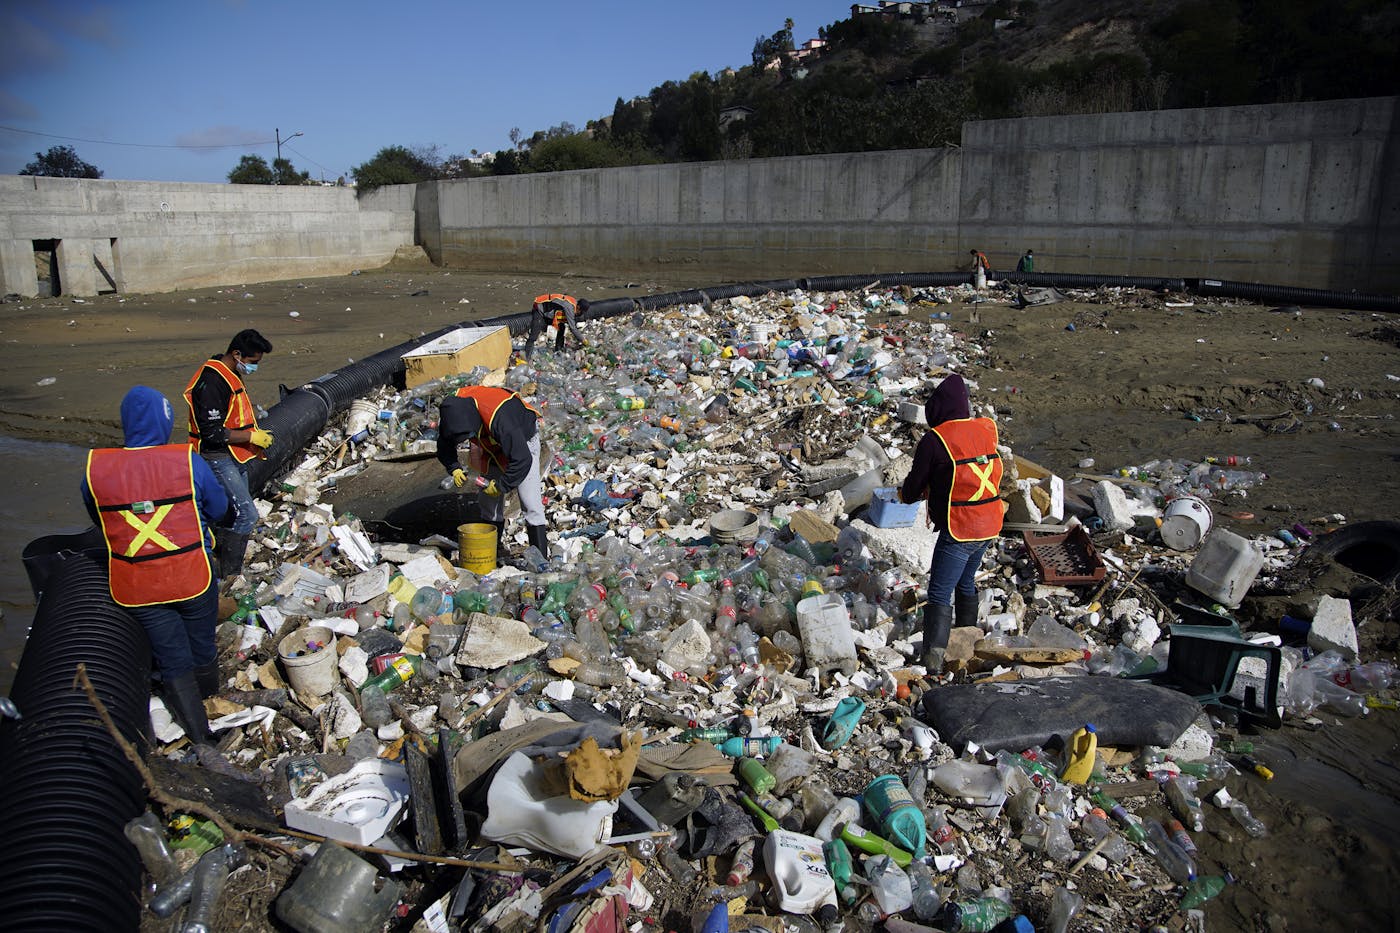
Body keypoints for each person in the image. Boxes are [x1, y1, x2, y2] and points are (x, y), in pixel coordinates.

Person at [81, 386, 229, 742]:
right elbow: (220, 507)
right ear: (165, 420)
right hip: (191, 574)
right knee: (202, 646)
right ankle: (212, 702)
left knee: (171, 658)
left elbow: (100, 520)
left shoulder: (96, 468)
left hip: (137, 586)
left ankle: (199, 735)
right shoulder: (185, 459)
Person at [898, 374, 1004, 674]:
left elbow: (914, 485)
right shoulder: (984, 429)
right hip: (989, 523)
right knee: (966, 581)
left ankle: (932, 661)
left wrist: (904, 496)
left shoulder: (936, 439)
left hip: (961, 527)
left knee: (939, 593)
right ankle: (967, 639)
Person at [183, 329, 274, 577]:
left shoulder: (229, 372)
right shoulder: (212, 382)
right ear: (237, 354)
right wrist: (251, 437)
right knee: (247, 514)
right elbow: (211, 432)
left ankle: (219, 560)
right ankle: (229, 575)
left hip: (234, 455)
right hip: (216, 457)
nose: (254, 368)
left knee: (231, 512)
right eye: (253, 363)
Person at [437, 384, 549, 561]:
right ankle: (492, 553)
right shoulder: (452, 411)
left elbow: (522, 460)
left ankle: (541, 561)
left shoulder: (501, 418)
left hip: (523, 440)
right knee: (488, 502)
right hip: (489, 444)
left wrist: (502, 486)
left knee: (530, 502)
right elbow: (444, 444)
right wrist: (454, 468)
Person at [525, 293, 589, 359]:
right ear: (578, 308)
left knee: (561, 327)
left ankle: (558, 350)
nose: (580, 314)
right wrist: (583, 340)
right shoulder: (570, 307)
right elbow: (572, 328)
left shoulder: (573, 303)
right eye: (581, 312)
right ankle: (527, 356)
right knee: (534, 334)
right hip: (539, 309)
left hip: (549, 313)